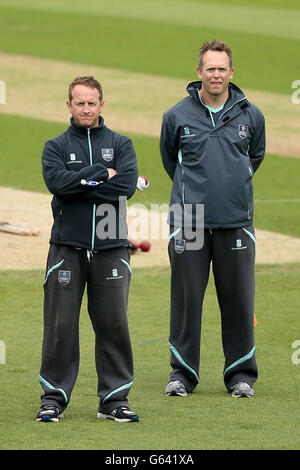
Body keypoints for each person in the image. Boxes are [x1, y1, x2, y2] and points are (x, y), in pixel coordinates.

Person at [160, 39, 265, 398]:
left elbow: (255, 156)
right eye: (210, 68)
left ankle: (240, 376)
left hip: (236, 220)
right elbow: (171, 161)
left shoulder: (251, 115)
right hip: (188, 222)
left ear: (231, 73)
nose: (216, 74)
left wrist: (229, 187)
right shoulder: (176, 115)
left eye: (222, 68)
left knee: (238, 300)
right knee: (186, 300)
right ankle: (182, 375)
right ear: (199, 72)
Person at [36, 76, 139, 422]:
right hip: (67, 248)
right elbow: (57, 184)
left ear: (101, 104)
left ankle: (114, 401)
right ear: (69, 105)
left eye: (92, 102)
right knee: (61, 326)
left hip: (111, 248)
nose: (86, 109)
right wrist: (100, 175)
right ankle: (53, 398)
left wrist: (80, 182)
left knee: (113, 324)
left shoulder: (122, 144)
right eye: (79, 103)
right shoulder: (55, 147)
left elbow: (126, 185)